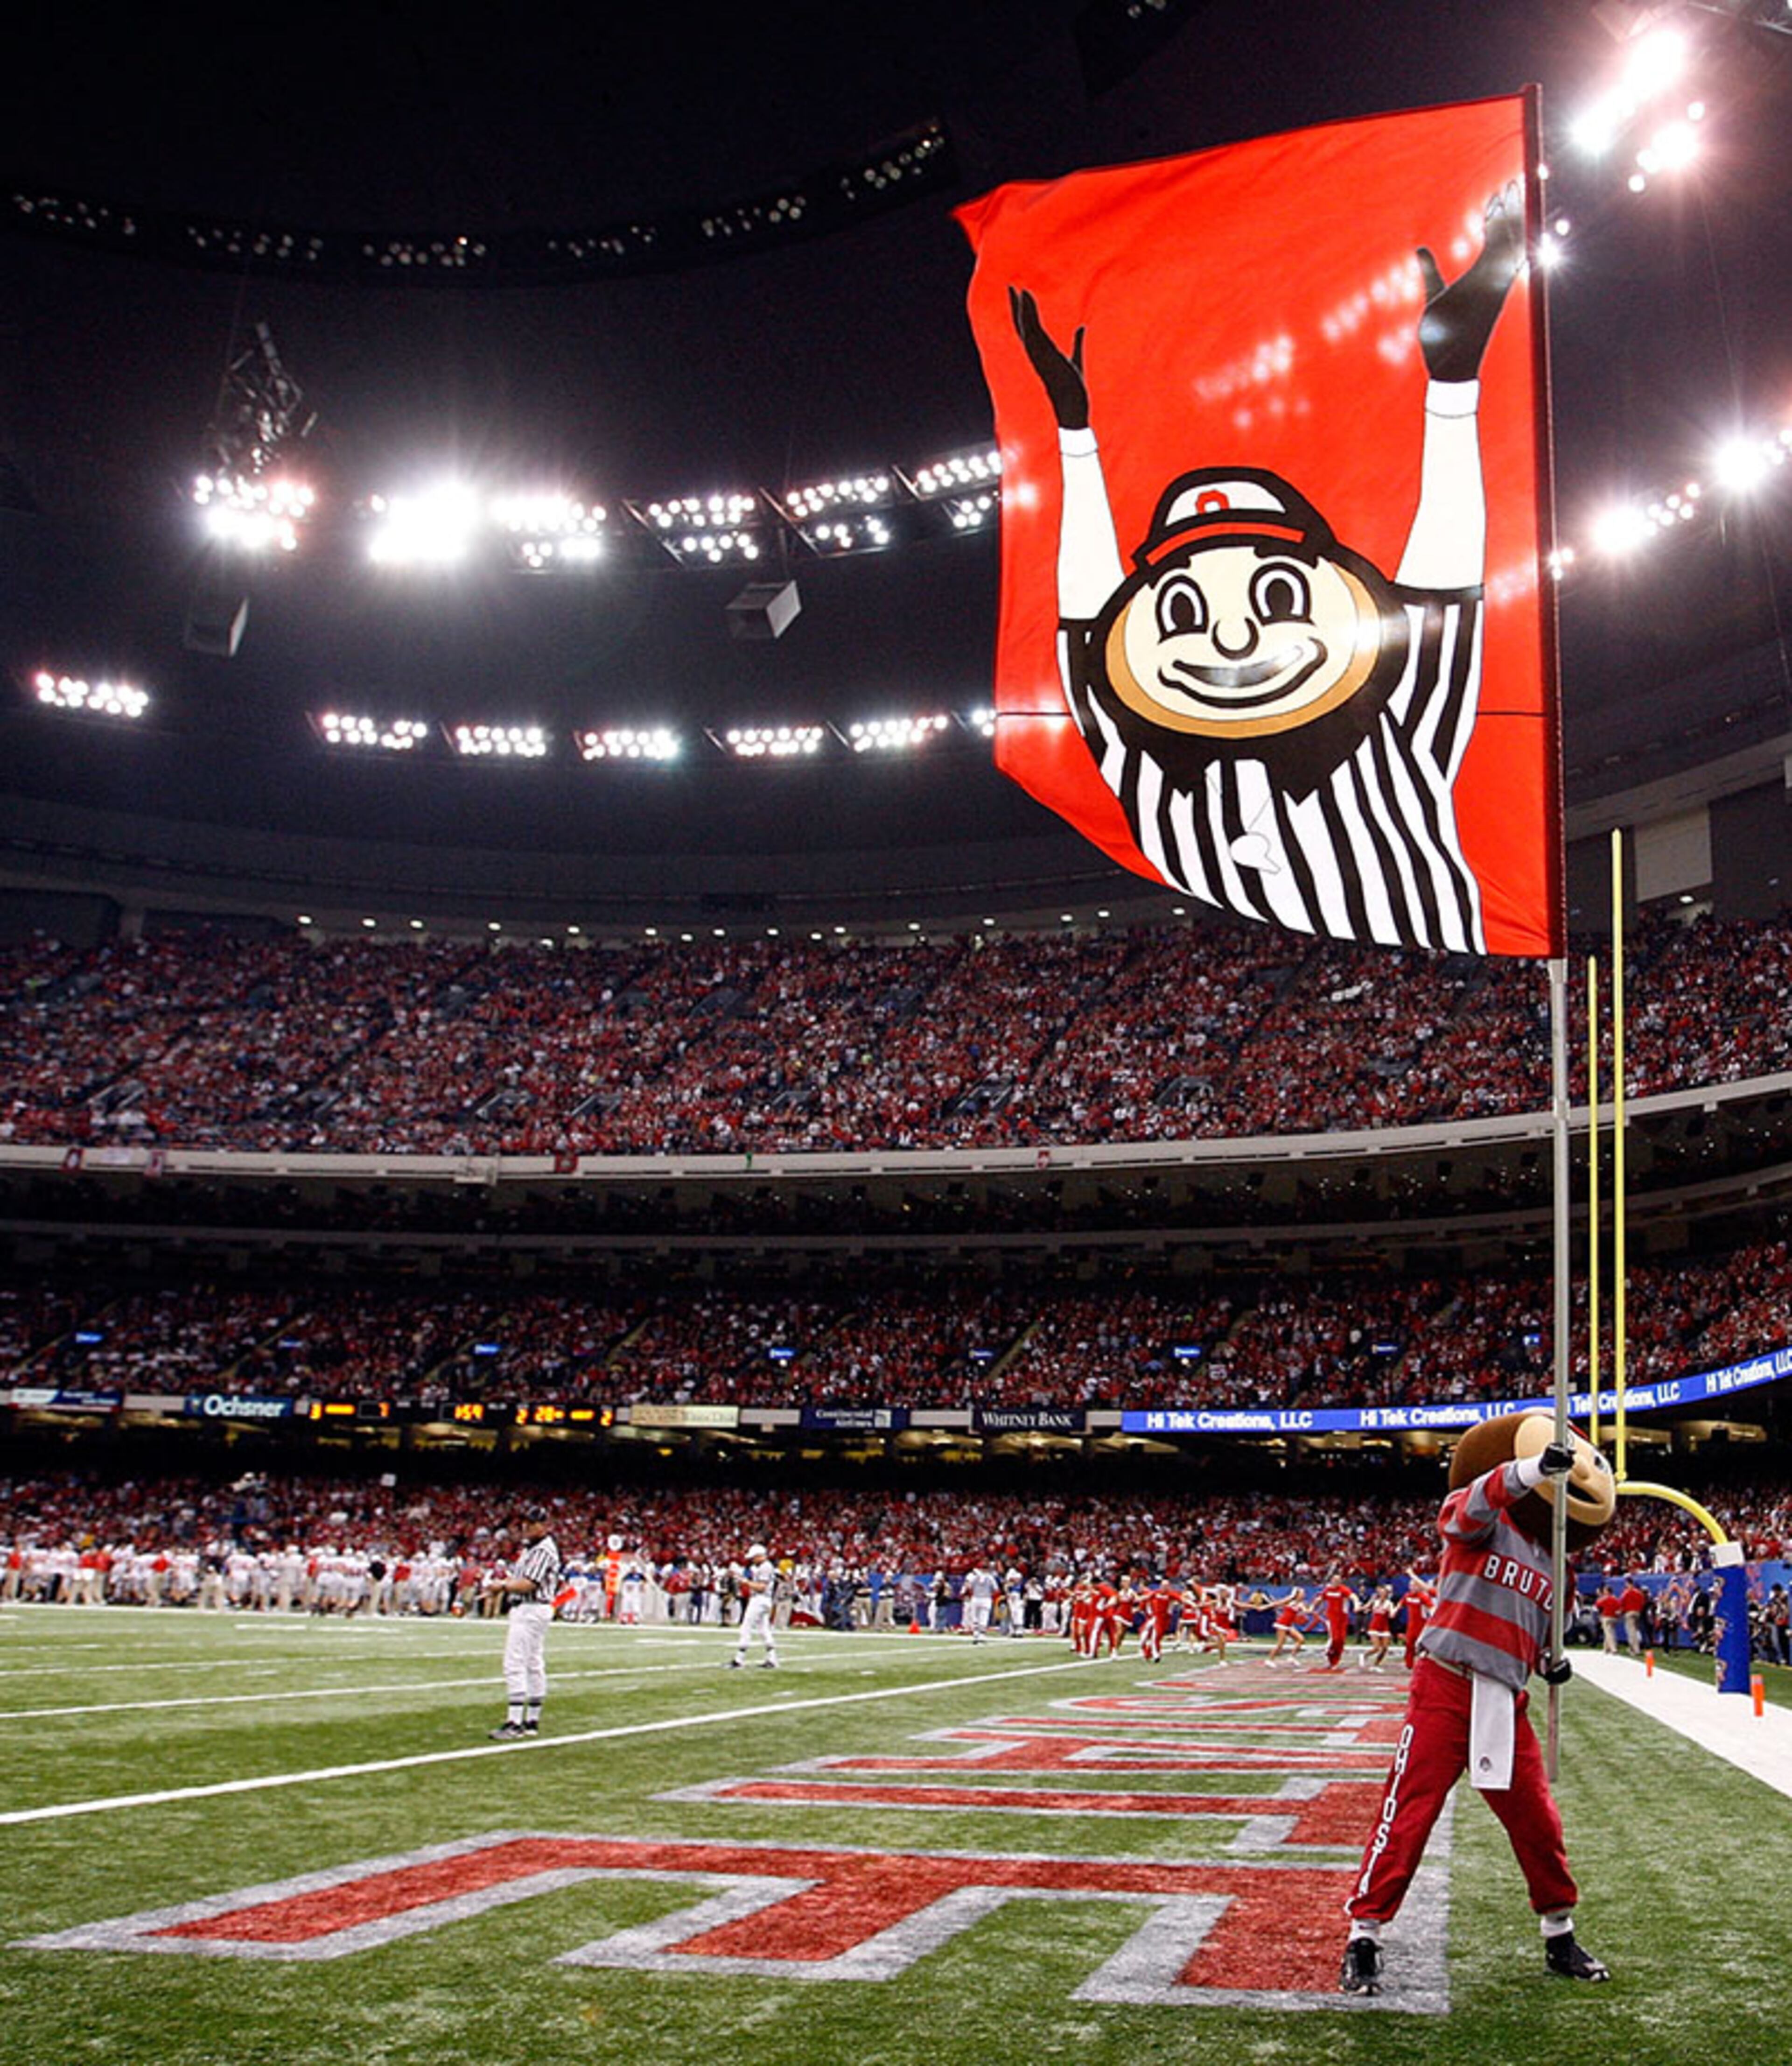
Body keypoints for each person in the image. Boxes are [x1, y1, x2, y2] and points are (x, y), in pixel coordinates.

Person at [1339, 1412, 1617, 1996]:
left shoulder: (1558, 1563)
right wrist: (1529, 1469)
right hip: (1447, 1683)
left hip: (1504, 1696)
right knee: (1410, 1809)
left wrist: (1553, 1664)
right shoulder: (1487, 1522)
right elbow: (1463, 1509)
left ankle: (1559, 1932)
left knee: (1537, 1819)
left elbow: (1545, 1641)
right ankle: (1364, 1935)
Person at [486, 1508, 563, 1740]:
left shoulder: (542, 1550)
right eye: (525, 1524)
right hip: (532, 1609)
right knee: (533, 1663)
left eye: (532, 1524)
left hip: (531, 1608)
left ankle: (515, 1722)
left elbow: (530, 1583)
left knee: (515, 1662)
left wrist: (502, 1586)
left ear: (544, 1525)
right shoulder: (534, 1548)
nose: (526, 1528)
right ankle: (531, 1720)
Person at [728, 1543, 779, 1669]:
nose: (752, 1560)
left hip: (760, 1600)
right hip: (764, 1600)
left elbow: (762, 1587)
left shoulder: (765, 1567)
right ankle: (772, 1659)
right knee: (764, 1630)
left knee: (746, 1627)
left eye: (754, 1557)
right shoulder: (764, 1567)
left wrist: (745, 1582)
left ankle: (739, 1659)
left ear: (759, 1556)